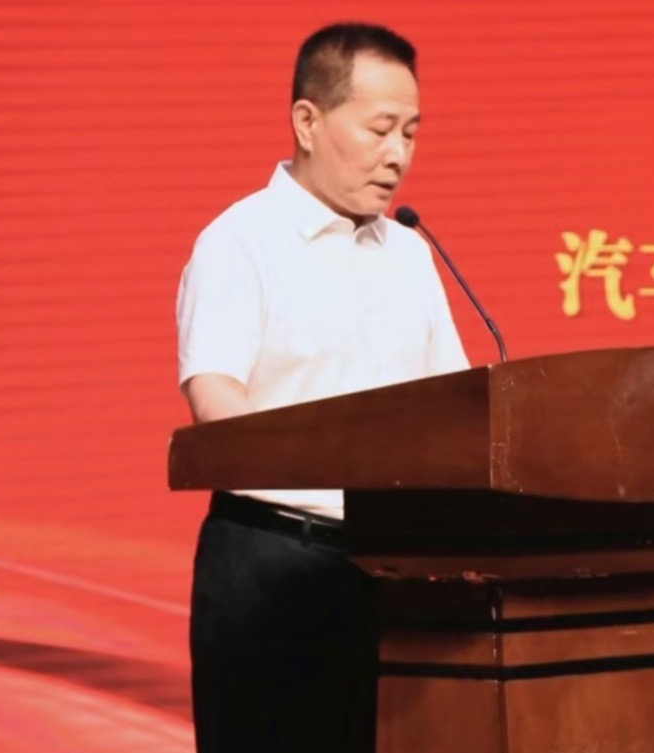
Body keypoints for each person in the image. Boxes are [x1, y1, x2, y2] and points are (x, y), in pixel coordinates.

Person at [175, 22, 470, 753]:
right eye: (379, 129)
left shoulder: (409, 253)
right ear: (307, 121)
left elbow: (459, 408)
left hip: (398, 571)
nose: (398, 154)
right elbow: (216, 402)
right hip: (273, 564)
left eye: (411, 133)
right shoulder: (239, 242)